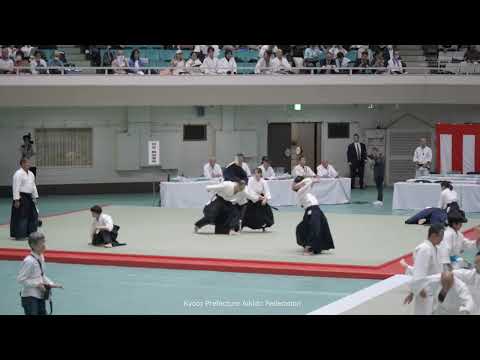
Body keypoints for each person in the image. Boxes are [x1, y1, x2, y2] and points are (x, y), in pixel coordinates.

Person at [402, 251, 480, 314]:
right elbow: (423, 280)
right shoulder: (440, 278)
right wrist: (413, 292)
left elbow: (469, 301)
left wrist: (466, 310)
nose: (474, 265)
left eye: (477, 263)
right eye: (475, 262)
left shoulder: (460, 287)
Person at [403, 224, 445, 315]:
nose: (442, 239)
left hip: (434, 289)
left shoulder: (436, 248)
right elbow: (419, 271)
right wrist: (419, 289)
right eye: (441, 236)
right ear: (433, 235)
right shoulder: (424, 249)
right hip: (425, 291)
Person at [17, 232, 63, 315]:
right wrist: (37, 284)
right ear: (33, 246)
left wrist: (51, 284)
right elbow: (21, 279)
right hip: (30, 297)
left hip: (40, 295)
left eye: (44, 242)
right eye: (41, 243)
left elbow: (41, 275)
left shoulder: (41, 257)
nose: (44, 245)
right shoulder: (29, 261)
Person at [194, 179, 261, 235]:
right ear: (237, 185)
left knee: (236, 214)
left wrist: (260, 198)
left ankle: (231, 229)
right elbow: (213, 187)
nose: (241, 190)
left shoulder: (242, 191)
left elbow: (251, 197)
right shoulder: (227, 185)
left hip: (228, 203)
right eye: (240, 188)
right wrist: (209, 188)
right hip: (219, 200)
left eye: (242, 189)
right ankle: (197, 225)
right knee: (211, 215)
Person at [292, 176, 335, 255]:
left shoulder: (307, 192)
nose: (294, 185)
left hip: (317, 211)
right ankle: (309, 248)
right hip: (311, 211)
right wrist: (308, 182)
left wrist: (311, 181)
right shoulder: (300, 192)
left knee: (320, 228)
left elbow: (308, 183)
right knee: (310, 228)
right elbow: (308, 183)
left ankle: (317, 246)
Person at [10, 159, 39, 240]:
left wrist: (35, 197)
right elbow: (16, 187)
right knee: (22, 216)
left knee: (33, 215)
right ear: (22, 164)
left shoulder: (31, 174)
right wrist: (16, 200)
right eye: (27, 163)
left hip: (29, 197)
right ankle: (20, 235)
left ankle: (31, 234)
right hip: (21, 196)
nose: (29, 164)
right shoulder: (18, 174)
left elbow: (33, 186)